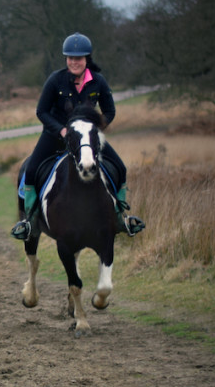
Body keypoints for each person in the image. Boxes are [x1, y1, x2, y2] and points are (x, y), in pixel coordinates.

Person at [10, 32, 145, 241]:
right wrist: (62, 130)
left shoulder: (98, 82)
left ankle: (121, 218)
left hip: (88, 140)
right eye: (71, 58)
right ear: (66, 59)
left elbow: (109, 111)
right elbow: (41, 111)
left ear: (87, 59)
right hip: (56, 136)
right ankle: (29, 221)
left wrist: (95, 130)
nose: (74, 62)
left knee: (120, 167)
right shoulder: (55, 80)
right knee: (31, 169)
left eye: (79, 58)